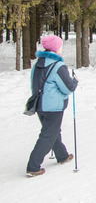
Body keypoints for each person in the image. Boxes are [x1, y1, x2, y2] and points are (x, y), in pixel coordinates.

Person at [26, 35, 78, 177]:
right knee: (48, 135)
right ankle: (33, 166)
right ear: (56, 48)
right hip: (54, 107)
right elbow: (68, 88)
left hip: (39, 105)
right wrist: (75, 81)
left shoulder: (38, 63)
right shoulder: (58, 65)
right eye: (60, 46)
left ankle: (62, 156)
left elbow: (34, 84)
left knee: (53, 131)